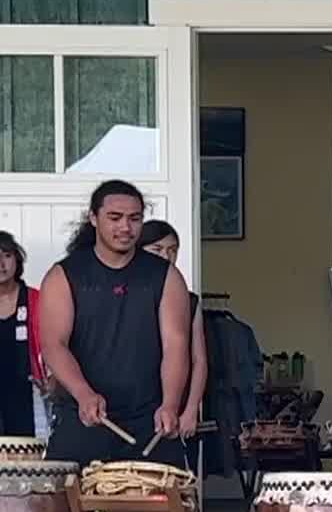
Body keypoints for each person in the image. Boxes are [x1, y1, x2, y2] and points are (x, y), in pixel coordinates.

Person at [38, 180, 190, 470]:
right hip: (83, 415)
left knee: (163, 511)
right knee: (64, 511)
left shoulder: (166, 276)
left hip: (149, 420)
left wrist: (171, 403)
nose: (125, 228)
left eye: (134, 219)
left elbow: (176, 344)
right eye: (115, 218)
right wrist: (83, 393)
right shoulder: (64, 275)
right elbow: (53, 345)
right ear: (93, 218)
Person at [138, 221, 208, 439]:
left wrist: (190, 410)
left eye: (172, 250)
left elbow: (199, 360)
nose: (166, 256)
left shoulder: (189, 300)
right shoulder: (123, 293)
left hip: (172, 407)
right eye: (157, 249)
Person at [0, 232, 46, 437]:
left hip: (27, 390)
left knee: (26, 454)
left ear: (17, 260)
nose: (1, 264)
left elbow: (53, 342)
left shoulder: (35, 298)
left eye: (7, 255)